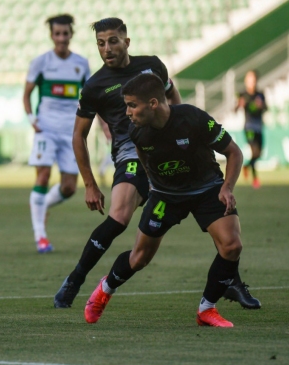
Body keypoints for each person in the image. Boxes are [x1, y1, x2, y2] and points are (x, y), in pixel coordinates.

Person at [53, 17, 259, 310]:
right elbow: (78, 135)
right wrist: (89, 184)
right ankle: (75, 279)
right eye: (100, 43)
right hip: (132, 150)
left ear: (127, 41)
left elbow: (172, 101)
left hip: (171, 144)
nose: (107, 49)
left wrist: (184, 130)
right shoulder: (95, 86)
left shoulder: (152, 66)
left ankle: (231, 281)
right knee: (119, 217)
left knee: (211, 204)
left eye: (113, 41)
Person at [84, 73, 249, 327]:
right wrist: (153, 183)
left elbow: (234, 152)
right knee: (139, 258)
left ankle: (207, 309)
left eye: (132, 105)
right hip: (165, 196)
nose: (127, 112)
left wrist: (227, 188)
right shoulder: (137, 131)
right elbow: (142, 155)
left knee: (232, 246)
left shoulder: (194, 119)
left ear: (153, 103)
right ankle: (106, 288)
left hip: (207, 189)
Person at [23, 14, 91, 253]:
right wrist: (33, 120)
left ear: (71, 34)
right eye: (57, 34)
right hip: (46, 129)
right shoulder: (41, 62)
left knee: (70, 187)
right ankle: (41, 236)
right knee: (42, 177)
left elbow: (91, 97)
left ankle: (43, 206)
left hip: (71, 131)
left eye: (65, 33)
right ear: (51, 36)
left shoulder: (81, 64)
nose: (62, 38)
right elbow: (27, 94)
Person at [234, 69, 266, 189]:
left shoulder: (260, 94)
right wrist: (239, 104)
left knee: (259, 154)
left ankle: (247, 165)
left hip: (259, 127)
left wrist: (261, 105)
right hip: (249, 128)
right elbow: (235, 109)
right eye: (249, 79)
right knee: (255, 152)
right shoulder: (242, 94)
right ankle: (255, 179)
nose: (251, 82)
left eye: (253, 79)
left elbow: (265, 108)